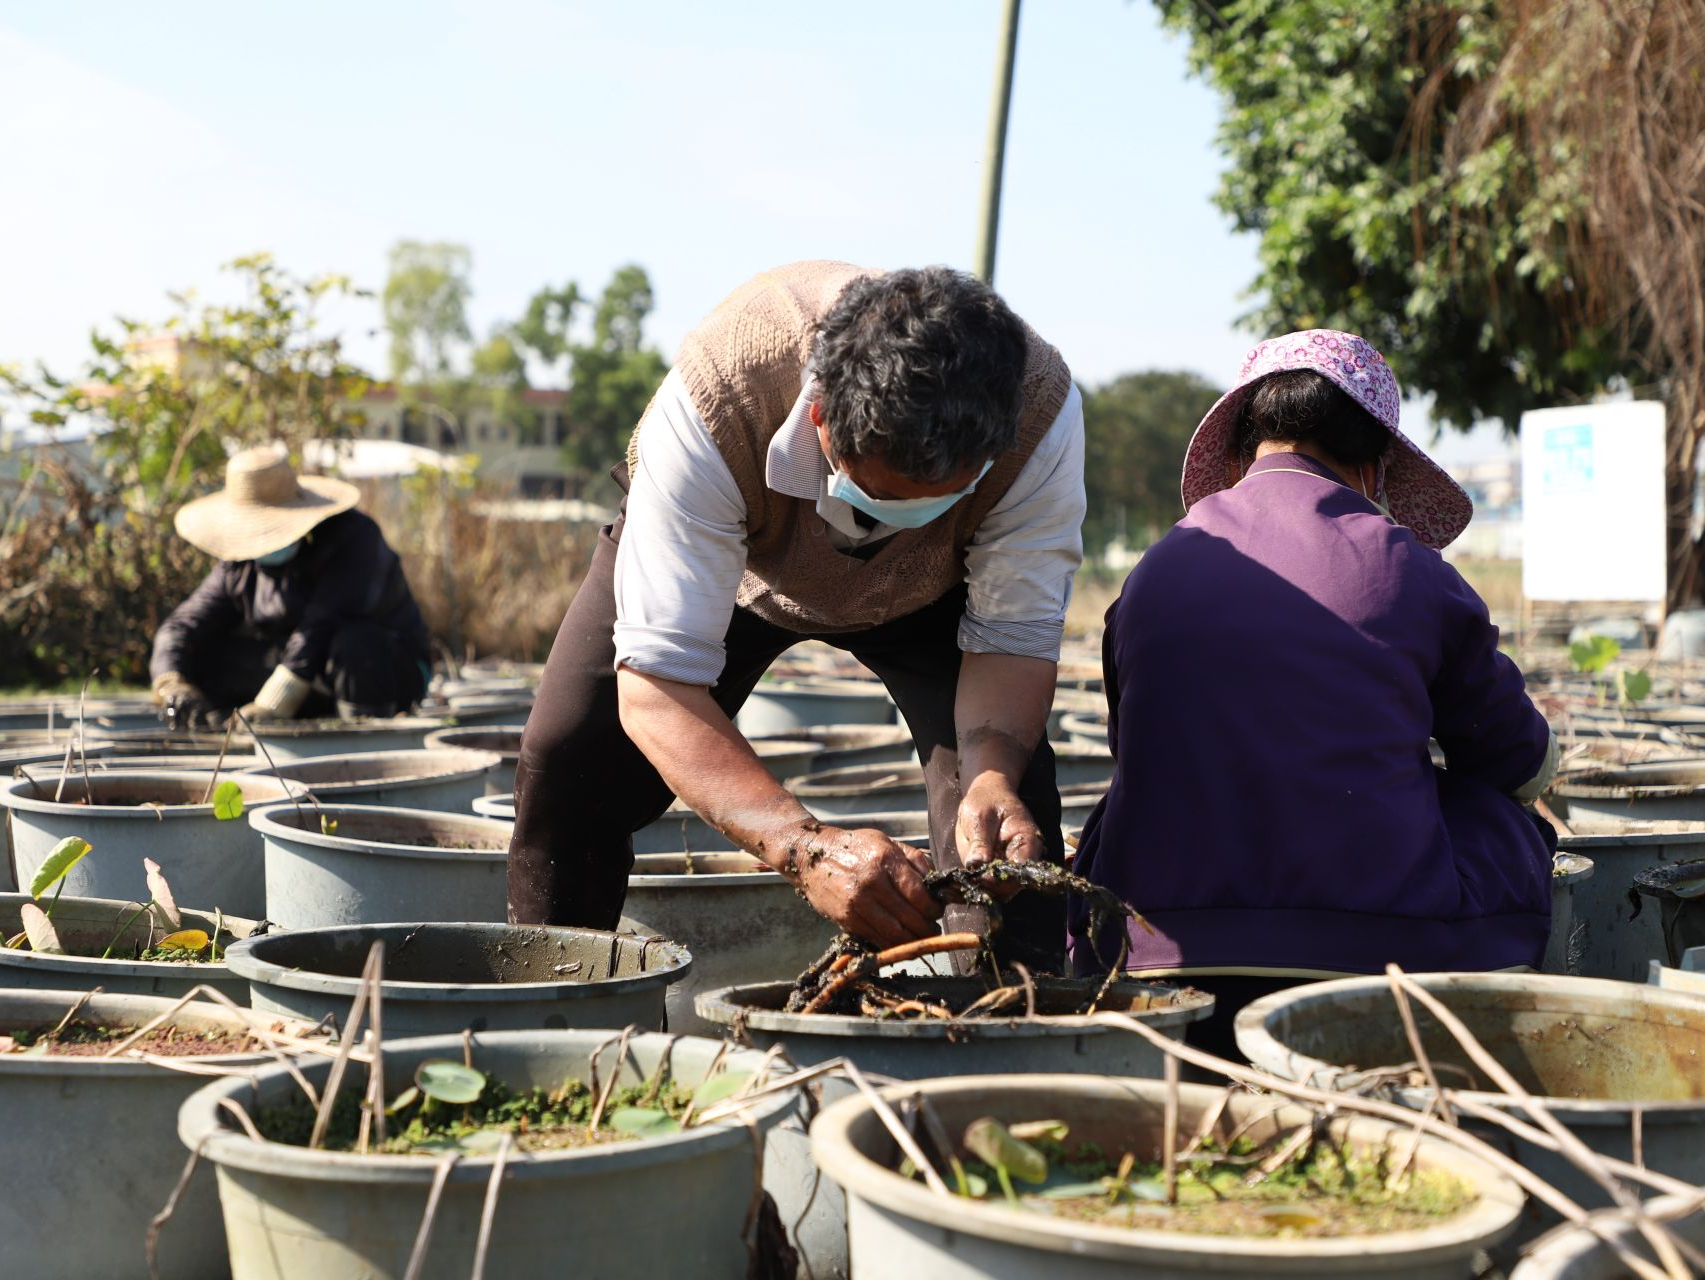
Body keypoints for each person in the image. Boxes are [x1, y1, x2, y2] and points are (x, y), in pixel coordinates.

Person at [508, 261, 1085, 970]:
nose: (890, 522)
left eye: (931, 497)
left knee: (1005, 822)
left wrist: (992, 771)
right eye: (878, 497)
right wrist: (800, 845)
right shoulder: (720, 393)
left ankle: (996, 1038)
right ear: (820, 416)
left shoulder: (1039, 418)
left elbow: (1010, 640)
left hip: (934, 590)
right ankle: (556, 1016)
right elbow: (656, 689)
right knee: (568, 759)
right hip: (738, 568)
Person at [1069, 330, 1557, 1052]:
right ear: (1375, 468)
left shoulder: (1153, 570)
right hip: (1373, 950)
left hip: (1154, 945)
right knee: (1502, 818)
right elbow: (1521, 763)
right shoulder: (1410, 569)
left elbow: (1137, 746)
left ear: (1237, 455)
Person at [150, 445, 432, 727]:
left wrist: (271, 703)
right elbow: (183, 625)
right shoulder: (239, 566)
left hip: (378, 670)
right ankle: (225, 730)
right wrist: (171, 683)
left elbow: (320, 626)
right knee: (203, 655)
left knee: (356, 644)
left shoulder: (354, 539)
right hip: (301, 674)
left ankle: (364, 734)